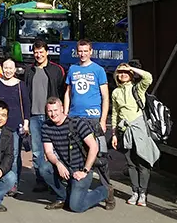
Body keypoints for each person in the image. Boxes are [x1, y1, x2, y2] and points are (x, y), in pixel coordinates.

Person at [40, 97, 115, 212]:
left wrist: (85, 171)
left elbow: (94, 147)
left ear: (62, 109)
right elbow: (49, 151)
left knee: (76, 207)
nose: (53, 114)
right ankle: (63, 196)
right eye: (50, 111)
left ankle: (104, 191)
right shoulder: (46, 127)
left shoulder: (76, 123)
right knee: (44, 168)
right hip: (64, 167)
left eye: (55, 110)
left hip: (81, 168)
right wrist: (58, 163)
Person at [110, 63, 159, 207]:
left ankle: (143, 193)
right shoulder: (116, 93)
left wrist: (132, 69)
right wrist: (113, 133)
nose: (123, 74)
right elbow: (115, 114)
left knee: (143, 162)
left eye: (126, 72)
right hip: (125, 131)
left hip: (140, 130)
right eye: (120, 72)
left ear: (131, 74)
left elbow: (148, 78)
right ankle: (135, 192)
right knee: (131, 163)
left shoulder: (138, 88)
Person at [63, 40, 110, 186]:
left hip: (93, 118)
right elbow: (67, 93)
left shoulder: (98, 70)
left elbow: (105, 97)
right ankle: (77, 185)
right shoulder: (72, 69)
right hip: (75, 117)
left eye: (85, 51)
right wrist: (65, 113)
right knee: (75, 153)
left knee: (100, 155)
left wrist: (103, 120)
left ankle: (107, 189)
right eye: (80, 51)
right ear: (77, 52)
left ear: (91, 52)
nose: (82, 54)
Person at [23, 39, 64, 193]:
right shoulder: (29, 71)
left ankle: (56, 179)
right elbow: (25, 94)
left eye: (41, 52)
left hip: (51, 117)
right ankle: (41, 180)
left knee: (56, 150)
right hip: (34, 116)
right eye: (36, 52)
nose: (38, 55)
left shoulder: (56, 70)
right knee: (37, 151)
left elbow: (62, 91)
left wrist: (61, 113)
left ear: (47, 52)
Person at [0, 58, 30, 194]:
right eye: (5, 68)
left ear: (15, 70)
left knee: (14, 155)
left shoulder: (21, 85)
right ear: (2, 68)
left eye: (10, 68)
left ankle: (13, 183)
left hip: (16, 124)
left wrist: (26, 123)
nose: (8, 71)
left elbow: (26, 105)